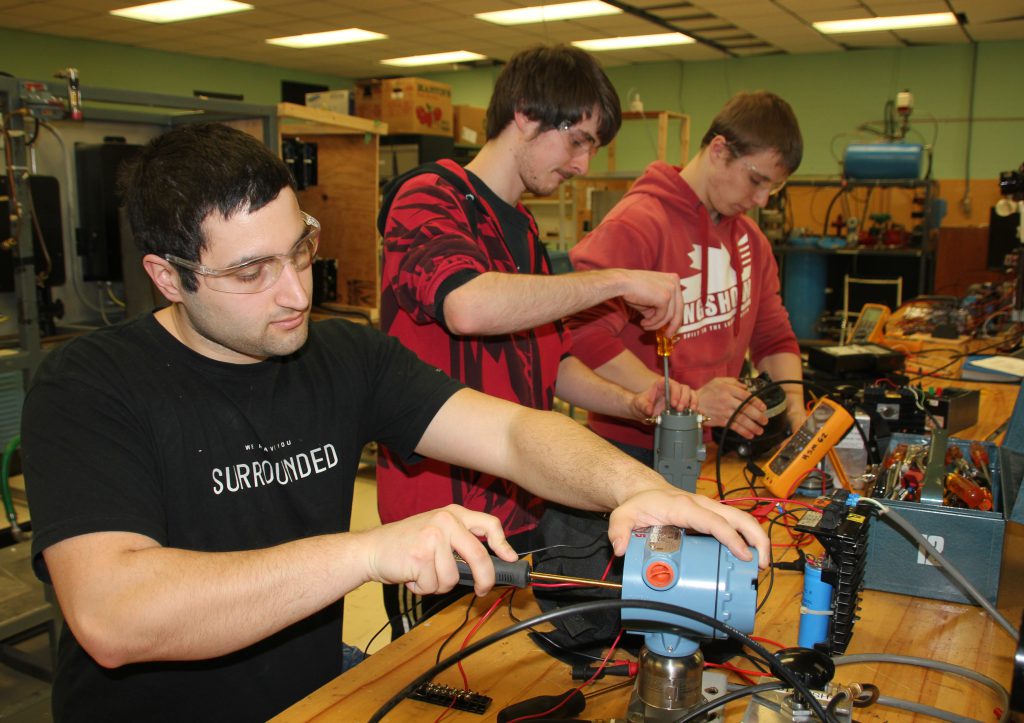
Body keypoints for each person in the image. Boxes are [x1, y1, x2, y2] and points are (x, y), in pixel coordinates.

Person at [20, 122, 767, 722]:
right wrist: (368, 552)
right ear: (166, 276)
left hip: (319, 701)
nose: (294, 293)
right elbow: (114, 615)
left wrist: (630, 488)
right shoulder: (89, 384)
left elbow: (511, 432)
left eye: (301, 251)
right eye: (252, 272)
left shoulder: (341, 354)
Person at [376, 45, 695, 630]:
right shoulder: (429, 196)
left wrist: (630, 404)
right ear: (524, 114)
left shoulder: (522, 227)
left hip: (519, 508)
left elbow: (551, 360)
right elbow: (467, 305)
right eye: (578, 140)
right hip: (440, 522)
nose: (582, 164)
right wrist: (617, 279)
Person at [567, 91, 806, 466]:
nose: (762, 200)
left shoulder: (751, 242)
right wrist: (688, 399)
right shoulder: (638, 225)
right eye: (756, 180)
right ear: (719, 150)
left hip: (711, 448)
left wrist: (795, 412)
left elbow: (773, 338)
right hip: (635, 448)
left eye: (772, 188)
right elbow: (583, 337)